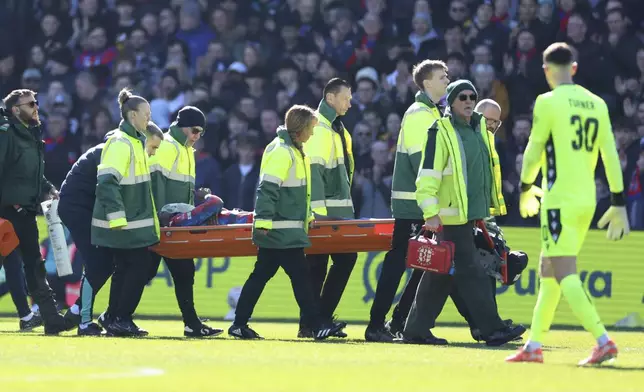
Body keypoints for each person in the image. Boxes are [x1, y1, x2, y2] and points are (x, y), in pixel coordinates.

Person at [506, 42, 629, 366]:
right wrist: (618, 202)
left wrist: (525, 186)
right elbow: (610, 155)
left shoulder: (548, 102)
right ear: (573, 68)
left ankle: (603, 340)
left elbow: (534, 147)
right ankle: (534, 345)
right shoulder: (597, 103)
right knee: (549, 270)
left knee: (563, 272)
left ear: (547, 70)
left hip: (558, 199)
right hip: (587, 199)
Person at [402, 80, 525, 346]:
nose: (468, 101)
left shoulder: (478, 128)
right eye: (462, 97)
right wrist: (430, 212)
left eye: (472, 97)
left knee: (440, 275)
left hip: (468, 214)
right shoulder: (440, 131)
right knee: (472, 271)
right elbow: (427, 177)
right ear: (451, 101)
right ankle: (491, 329)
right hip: (450, 216)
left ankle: (415, 331)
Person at [228, 104, 346, 340]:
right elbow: (267, 190)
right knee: (301, 279)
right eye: (311, 129)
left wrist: (306, 217)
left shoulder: (290, 150)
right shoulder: (284, 152)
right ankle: (315, 324)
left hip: (280, 229)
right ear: (300, 129)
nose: (313, 134)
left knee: (262, 277)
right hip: (281, 232)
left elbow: (294, 194)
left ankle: (239, 323)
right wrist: (263, 224)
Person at [365, 60, 449, 343]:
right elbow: (423, 163)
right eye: (442, 76)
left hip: (419, 203)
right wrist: (431, 206)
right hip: (415, 204)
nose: (447, 80)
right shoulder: (419, 115)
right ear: (426, 83)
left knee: (421, 266)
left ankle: (397, 321)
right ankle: (378, 325)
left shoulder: (430, 113)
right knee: (399, 265)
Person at [58, 123, 163, 336]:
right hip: (78, 209)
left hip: (87, 208)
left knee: (106, 263)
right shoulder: (117, 151)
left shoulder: (118, 149)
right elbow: (109, 190)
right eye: (152, 148)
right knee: (98, 263)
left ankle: (80, 312)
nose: (152, 154)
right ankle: (84, 320)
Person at [0, 89, 74, 335]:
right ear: (15, 110)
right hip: (9, 211)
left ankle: (49, 318)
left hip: (24, 210)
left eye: (36, 103)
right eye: (30, 103)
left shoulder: (30, 135)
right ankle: (49, 318)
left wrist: (49, 188)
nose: (35, 107)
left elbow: (32, 173)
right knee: (31, 265)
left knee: (32, 265)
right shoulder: (7, 135)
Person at [147, 106, 223, 338]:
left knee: (181, 272)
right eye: (195, 130)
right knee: (146, 271)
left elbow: (176, 188)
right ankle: (115, 315)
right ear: (183, 126)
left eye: (201, 132)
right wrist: (158, 217)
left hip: (176, 224)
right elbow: (155, 181)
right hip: (166, 224)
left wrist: (195, 196)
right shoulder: (169, 146)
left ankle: (191, 323)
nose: (197, 136)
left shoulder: (185, 150)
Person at [91, 88, 160, 337]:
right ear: (132, 115)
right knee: (139, 267)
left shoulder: (133, 141)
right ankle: (120, 317)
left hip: (130, 222)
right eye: (146, 114)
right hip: (124, 223)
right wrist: (117, 217)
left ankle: (113, 316)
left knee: (124, 268)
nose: (148, 119)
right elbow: (107, 182)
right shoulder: (122, 143)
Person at [298, 78, 355, 338]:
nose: (349, 103)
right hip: (326, 213)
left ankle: (315, 322)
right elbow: (315, 174)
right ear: (330, 98)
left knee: (319, 265)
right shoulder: (321, 128)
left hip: (336, 211)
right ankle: (316, 321)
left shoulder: (336, 129)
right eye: (345, 98)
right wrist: (318, 215)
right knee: (323, 264)